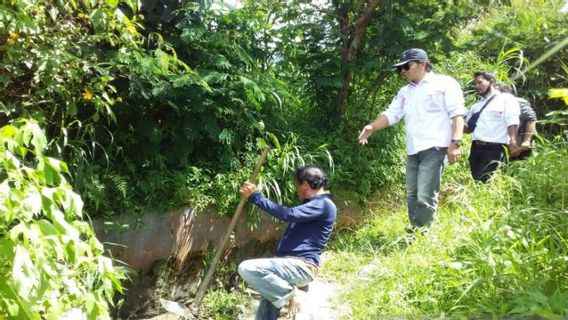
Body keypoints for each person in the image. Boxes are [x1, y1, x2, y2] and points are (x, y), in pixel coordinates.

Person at [358, 48, 467, 229]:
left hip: (436, 146)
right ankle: (417, 228)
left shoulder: (444, 84)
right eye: (399, 69)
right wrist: (371, 127)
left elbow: (457, 114)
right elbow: (391, 114)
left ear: (423, 64)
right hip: (413, 149)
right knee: (412, 193)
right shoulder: (405, 92)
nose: (402, 72)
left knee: (425, 193)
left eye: (406, 67)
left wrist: (455, 143)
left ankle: (422, 232)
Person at [238, 164, 337, 320]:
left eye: (297, 185)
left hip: (300, 266)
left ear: (305, 184)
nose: (297, 190)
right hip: (287, 267)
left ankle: (292, 293)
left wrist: (255, 197)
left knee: (247, 268)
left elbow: (287, 214)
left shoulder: (323, 204)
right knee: (267, 311)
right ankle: (287, 293)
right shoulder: (313, 205)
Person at [465, 72, 521, 182]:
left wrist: (513, 141)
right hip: (475, 148)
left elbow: (512, 121)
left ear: (491, 82)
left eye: (480, 82)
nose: (477, 86)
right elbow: (468, 129)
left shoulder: (506, 99)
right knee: (476, 180)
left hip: (495, 148)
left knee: (483, 179)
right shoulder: (476, 106)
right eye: (475, 83)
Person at [494, 82, 538, 160]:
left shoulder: (518, 102)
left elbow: (531, 119)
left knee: (521, 164)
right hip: (503, 142)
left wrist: (527, 141)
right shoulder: (493, 105)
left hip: (521, 141)